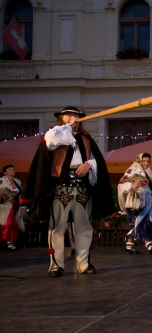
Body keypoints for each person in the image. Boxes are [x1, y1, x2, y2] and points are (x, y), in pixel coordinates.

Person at [20, 106, 113, 277]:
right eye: (69, 116)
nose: (74, 118)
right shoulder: (55, 135)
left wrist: (88, 165)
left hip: (83, 189)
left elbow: (97, 160)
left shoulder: (86, 139)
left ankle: (83, 264)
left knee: (84, 228)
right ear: (61, 118)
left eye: (76, 116)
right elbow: (51, 141)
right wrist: (67, 126)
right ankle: (56, 265)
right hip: (61, 189)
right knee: (56, 227)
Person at [118, 153, 152, 254]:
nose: (146, 163)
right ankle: (149, 244)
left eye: (148, 161)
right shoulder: (131, 171)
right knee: (140, 223)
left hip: (146, 203)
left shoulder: (150, 173)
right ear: (139, 161)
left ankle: (129, 245)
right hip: (134, 202)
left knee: (137, 223)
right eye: (144, 161)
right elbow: (121, 184)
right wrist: (130, 185)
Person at [0, 165, 26, 251]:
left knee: (14, 224)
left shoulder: (17, 181)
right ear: (4, 172)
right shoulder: (1, 181)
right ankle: (6, 242)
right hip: (5, 206)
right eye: (9, 169)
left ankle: (10, 242)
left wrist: (23, 207)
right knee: (5, 223)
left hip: (15, 206)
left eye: (13, 169)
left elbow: (22, 195)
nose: (12, 170)